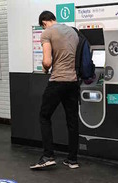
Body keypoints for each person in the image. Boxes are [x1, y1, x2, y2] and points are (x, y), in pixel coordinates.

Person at [30, 11, 80, 170]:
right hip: (72, 81)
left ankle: (48, 155)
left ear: (44, 22)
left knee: (44, 116)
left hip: (58, 80)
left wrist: (45, 68)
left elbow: (47, 61)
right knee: (72, 120)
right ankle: (72, 159)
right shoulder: (73, 32)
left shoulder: (47, 33)